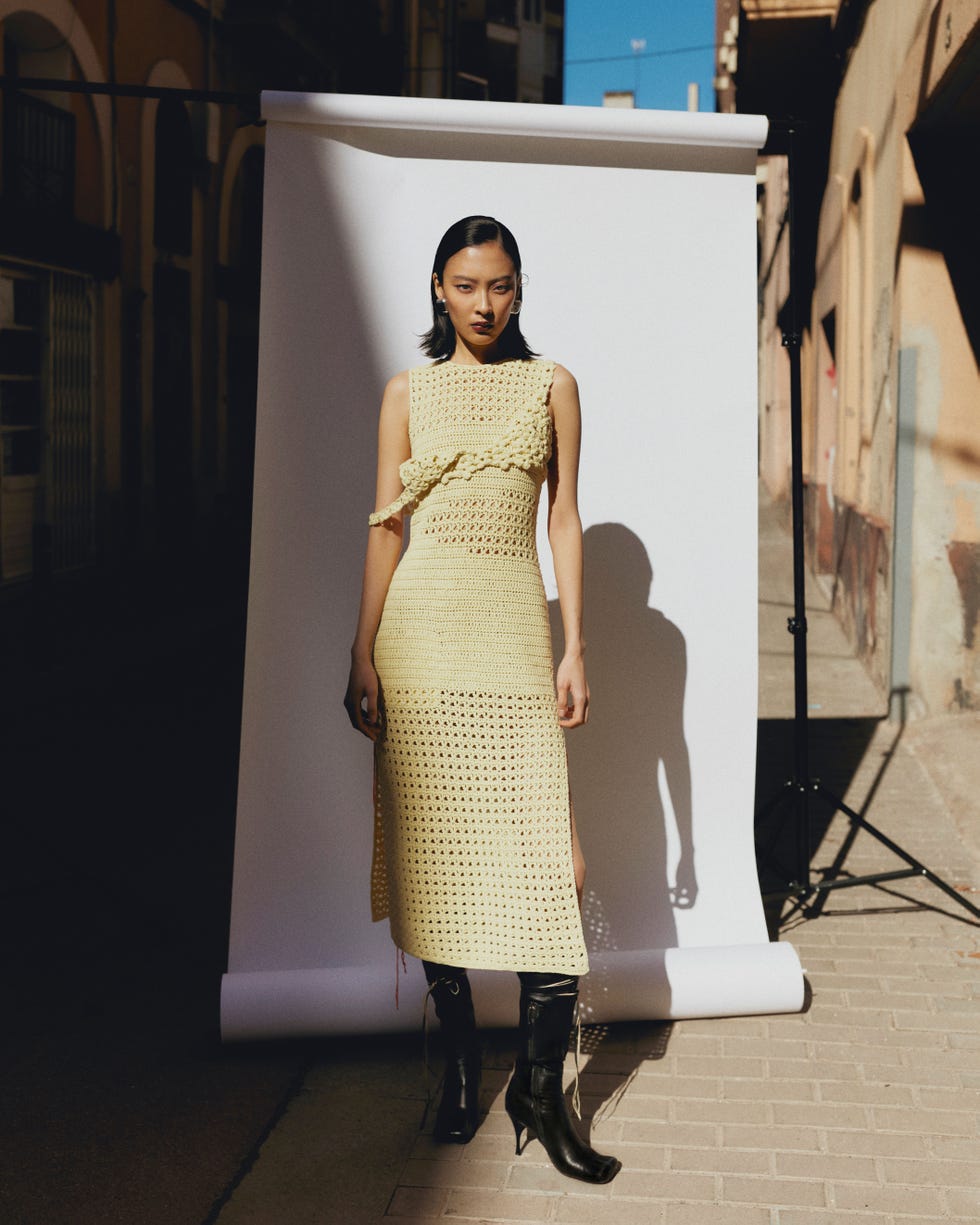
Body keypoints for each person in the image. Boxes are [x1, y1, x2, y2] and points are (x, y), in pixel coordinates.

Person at [344, 215, 620, 1184]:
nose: (484, 304)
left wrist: (573, 644)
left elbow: (564, 514)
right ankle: (461, 1070)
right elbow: (385, 528)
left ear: (518, 288)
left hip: (509, 627)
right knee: (434, 859)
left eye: (500, 285)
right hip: (417, 633)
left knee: (554, 865)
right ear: (435, 288)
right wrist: (359, 647)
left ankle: (536, 1093)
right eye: (466, 286)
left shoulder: (551, 386)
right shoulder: (405, 392)